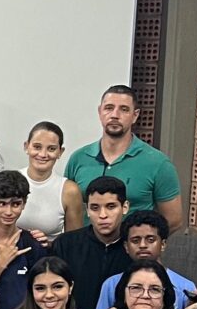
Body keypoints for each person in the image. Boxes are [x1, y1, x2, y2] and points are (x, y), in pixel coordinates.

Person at [65, 84, 184, 231]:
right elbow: (67, 210)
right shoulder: (78, 159)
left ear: (135, 115)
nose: (115, 115)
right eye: (109, 108)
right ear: (100, 112)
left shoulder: (158, 163)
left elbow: (173, 220)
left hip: (131, 245)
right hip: (85, 244)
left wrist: (138, 241)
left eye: (124, 109)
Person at [91, 210, 197, 309]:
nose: (142, 245)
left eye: (150, 240)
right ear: (126, 246)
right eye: (135, 240)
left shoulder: (186, 287)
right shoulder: (111, 284)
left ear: (163, 244)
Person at [52, 177, 131, 309]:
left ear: (125, 207)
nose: (103, 215)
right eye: (95, 208)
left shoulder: (135, 247)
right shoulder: (66, 244)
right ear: (87, 210)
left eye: (111, 207)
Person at [0, 170, 47, 309]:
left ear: (24, 203)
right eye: (2, 204)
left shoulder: (33, 244)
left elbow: (44, 293)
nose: (8, 212)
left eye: (15, 204)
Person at [21, 122, 83, 239]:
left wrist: (48, 244)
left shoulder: (70, 191)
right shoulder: (9, 180)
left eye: (51, 149)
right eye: (37, 147)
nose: (43, 154)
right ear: (26, 146)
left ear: (60, 152)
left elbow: (74, 242)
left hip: (51, 250)